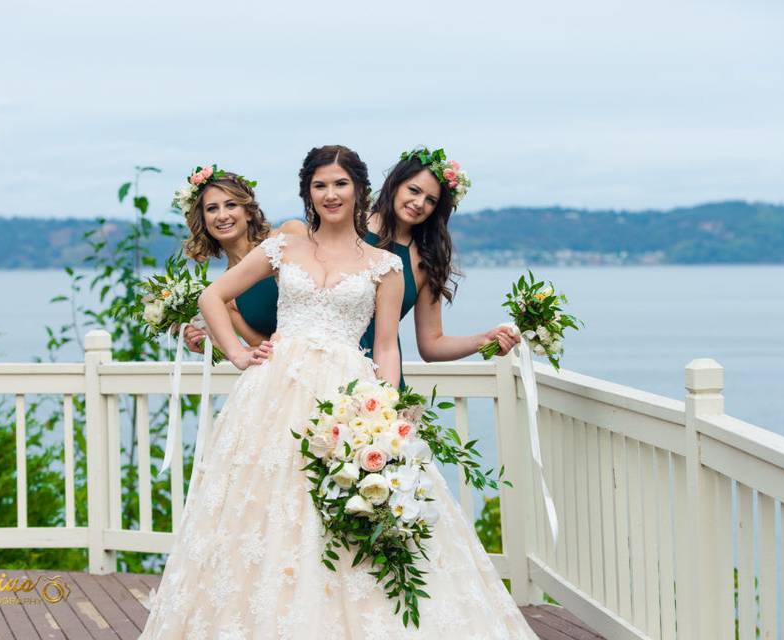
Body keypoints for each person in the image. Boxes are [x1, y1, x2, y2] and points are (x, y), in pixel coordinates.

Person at [139, 145, 537, 639]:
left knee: (345, 515)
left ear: (359, 190)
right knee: (269, 512)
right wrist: (238, 355)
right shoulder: (284, 244)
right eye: (321, 185)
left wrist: (386, 416)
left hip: (349, 395)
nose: (331, 194)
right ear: (308, 191)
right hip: (274, 396)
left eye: (341, 184)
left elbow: (389, 348)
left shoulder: (385, 266)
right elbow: (211, 296)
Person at [360, 148, 519, 388]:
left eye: (430, 200)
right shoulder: (349, 227)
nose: (419, 203)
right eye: (413, 190)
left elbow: (431, 344)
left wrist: (483, 339)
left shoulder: (425, 260)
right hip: (324, 369)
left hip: (381, 384)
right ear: (395, 184)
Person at [173, 165, 305, 354]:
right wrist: (216, 347)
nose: (222, 216)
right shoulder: (225, 295)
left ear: (248, 212)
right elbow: (265, 349)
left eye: (231, 205)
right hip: (293, 368)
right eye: (212, 209)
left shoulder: (289, 234)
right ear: (203, 220)